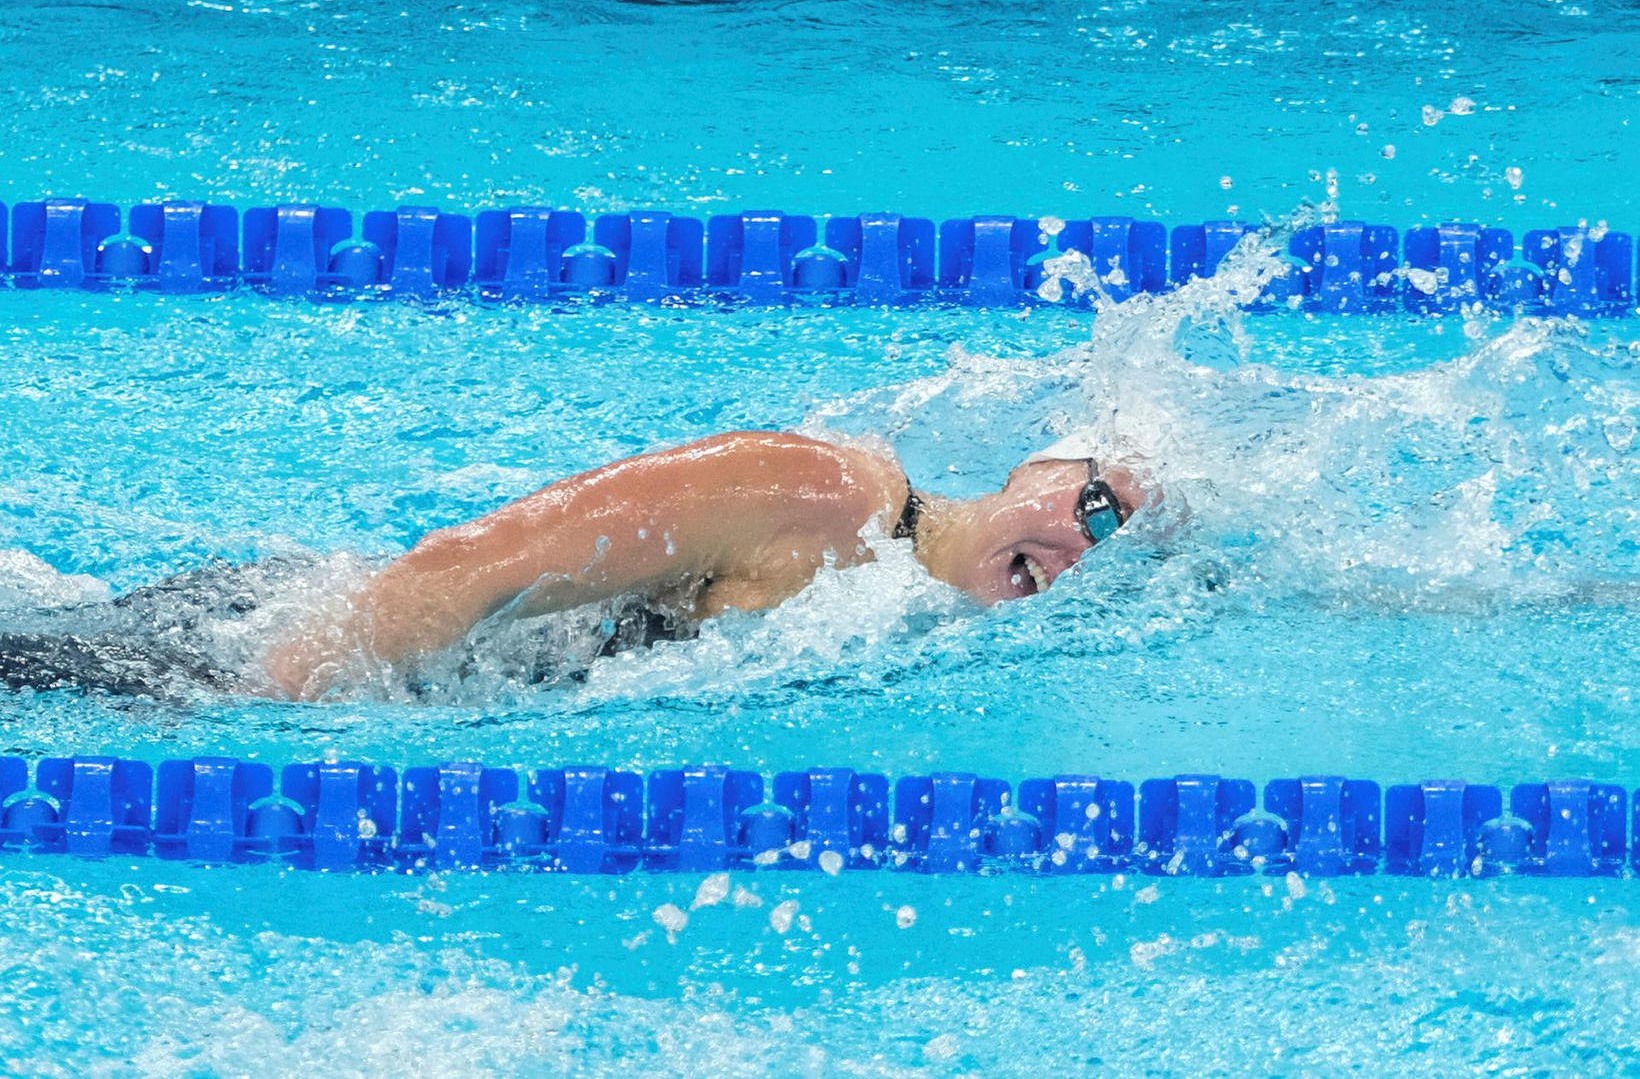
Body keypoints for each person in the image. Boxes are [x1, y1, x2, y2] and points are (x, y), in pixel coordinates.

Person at [1, 430, 1146, 700]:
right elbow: (465, 566)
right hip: (267, 652)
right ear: (1032, 472)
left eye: (1119, 545)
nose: (1081, 547)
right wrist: (274, 701)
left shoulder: (908, 614)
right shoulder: (823, 494)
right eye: (1092, 505)